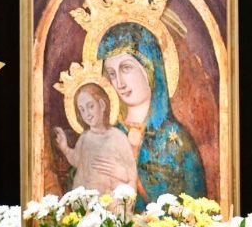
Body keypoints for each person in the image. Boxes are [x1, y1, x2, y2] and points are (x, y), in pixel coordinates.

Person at [96, 22, 206, 208]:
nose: (119, 83)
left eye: (126, 68)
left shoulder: (176, 141)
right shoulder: (105, 138)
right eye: (112, 73)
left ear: (150, 68)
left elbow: (196, 211)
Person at [53, 82, 137, 194]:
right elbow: (78, 160)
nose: (87, 114)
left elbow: (131, 174)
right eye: (82, 109)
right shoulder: (85, 138)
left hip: (112, 199)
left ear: (102, 105)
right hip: (88, 199)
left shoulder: (118, 137)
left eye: (90, 106)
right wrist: (65, 149)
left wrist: (120, 173)